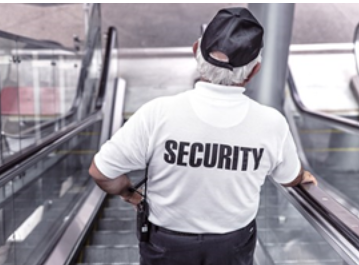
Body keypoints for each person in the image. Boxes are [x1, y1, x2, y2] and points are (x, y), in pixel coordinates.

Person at [89, 7, 317, 265]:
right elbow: (289, 177)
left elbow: (101, 172)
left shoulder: (158, 113)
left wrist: (129, 193)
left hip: (167, 243)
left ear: (196, 49)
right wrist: (303, 176)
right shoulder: (271, 123)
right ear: (254, 71)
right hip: (232, 244)